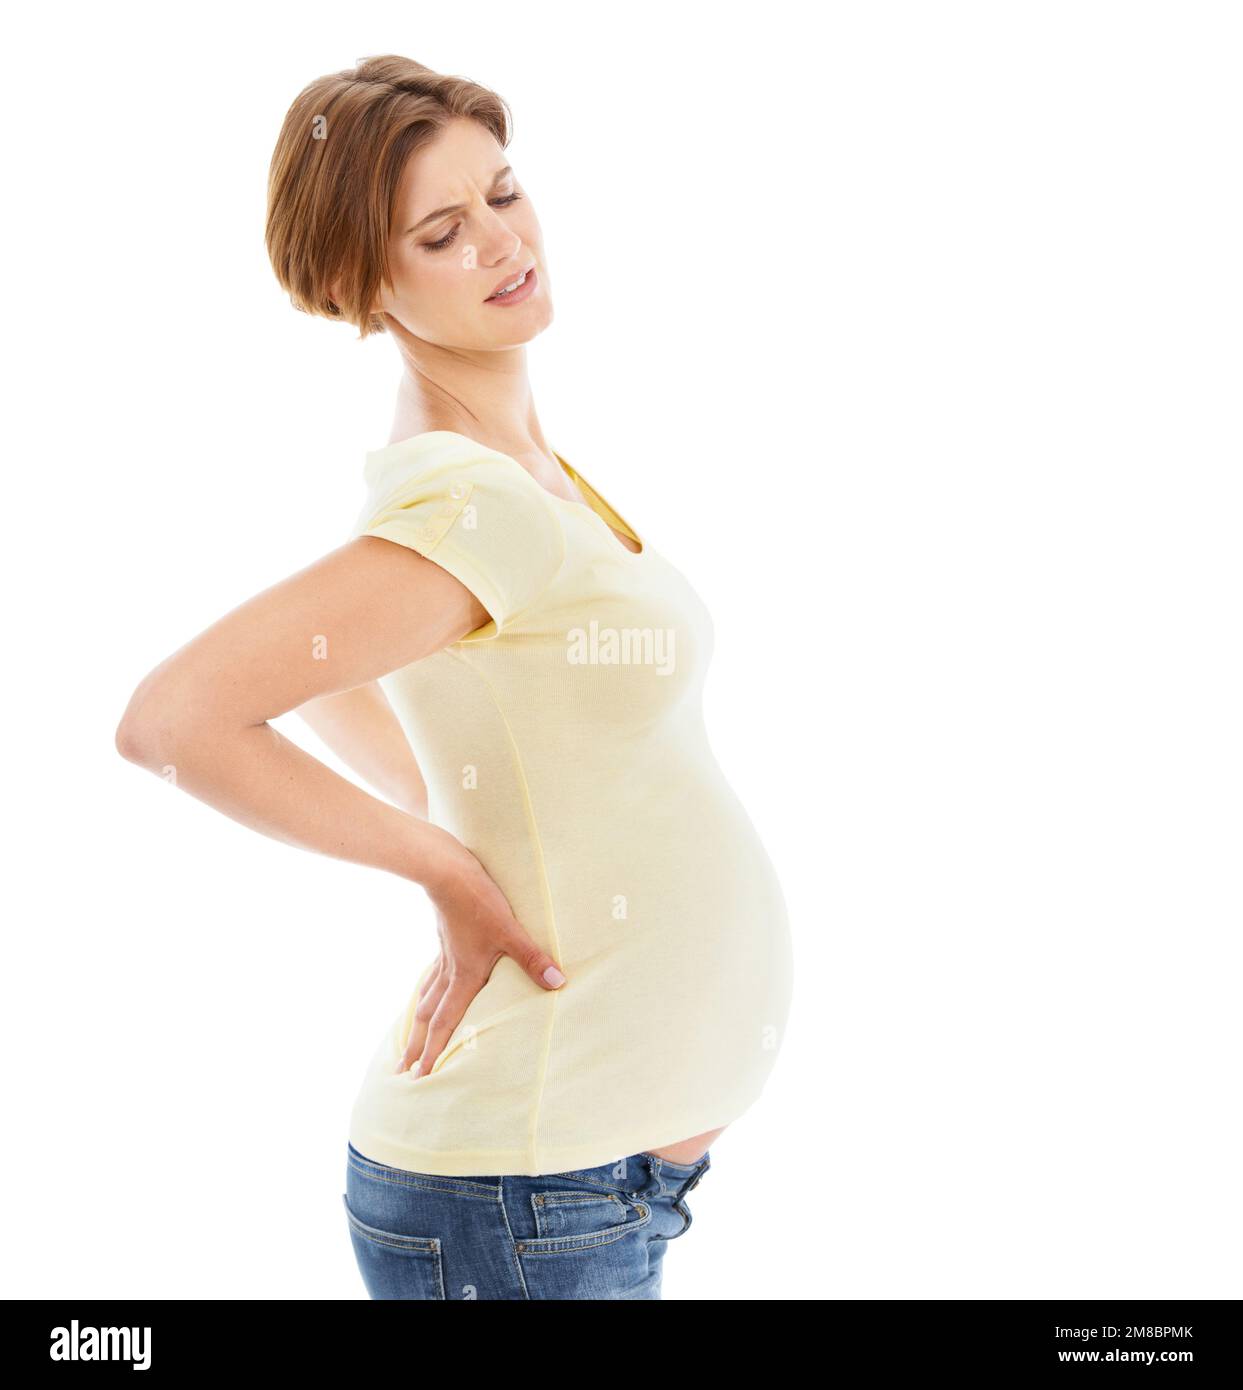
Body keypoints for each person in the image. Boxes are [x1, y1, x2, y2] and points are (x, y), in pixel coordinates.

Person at [116, 54, 793, 1301]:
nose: (499, 240)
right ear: (361, 286)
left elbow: (324, 673)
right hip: (526, 1200)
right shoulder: (468, 495)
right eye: (440, 231)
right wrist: (442, 864)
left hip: (586, 1189)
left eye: (504, 192)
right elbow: (175, 719)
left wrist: (451, 803)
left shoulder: (515, 470)